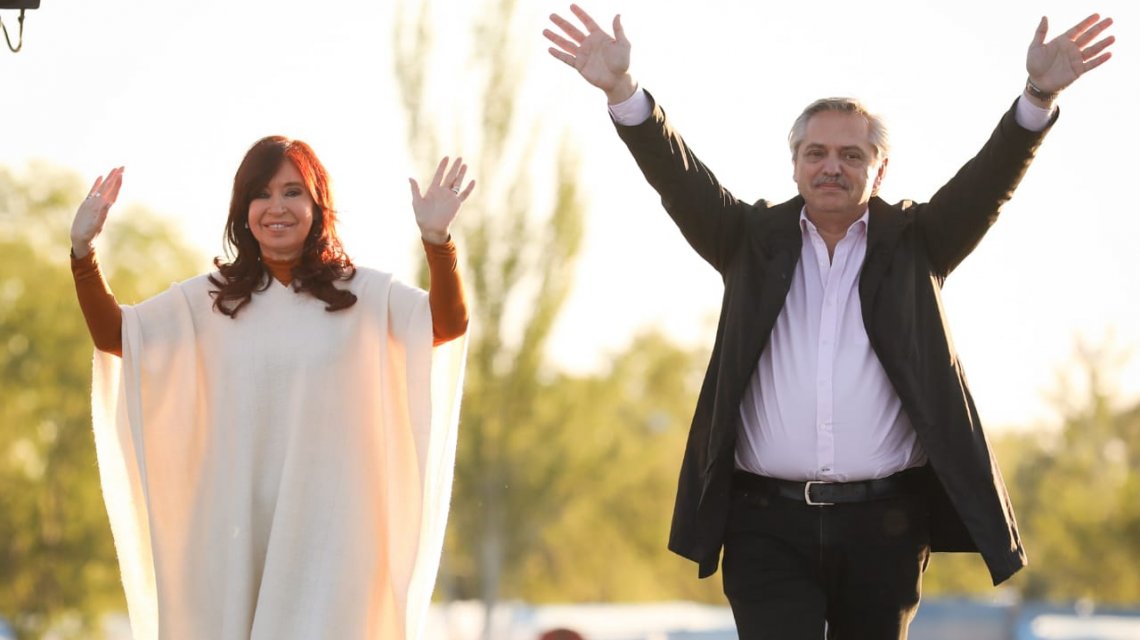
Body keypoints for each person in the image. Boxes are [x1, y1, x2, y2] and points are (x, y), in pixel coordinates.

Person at [544, 5, 1114, 639]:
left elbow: (989, 183)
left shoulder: (919, 243)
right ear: (794, 164)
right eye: (815, 153)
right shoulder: (747, 239)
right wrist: (624, 93)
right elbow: (679, 180)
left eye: (851, 154)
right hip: (765, 525)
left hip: (884, 528)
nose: (831, 166)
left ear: (880, 168)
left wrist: (1037, 97)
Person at [70, 137, 475, 640]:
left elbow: (446, 324)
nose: (276, 207)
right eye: (261, 194)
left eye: (292, 192)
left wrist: (437, 241)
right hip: (233, 534)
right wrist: (83, 253)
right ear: (243, 211)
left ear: (317, 204)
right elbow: (117, 336)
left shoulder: (364, 295)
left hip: (335, 540)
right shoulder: (206, 302)